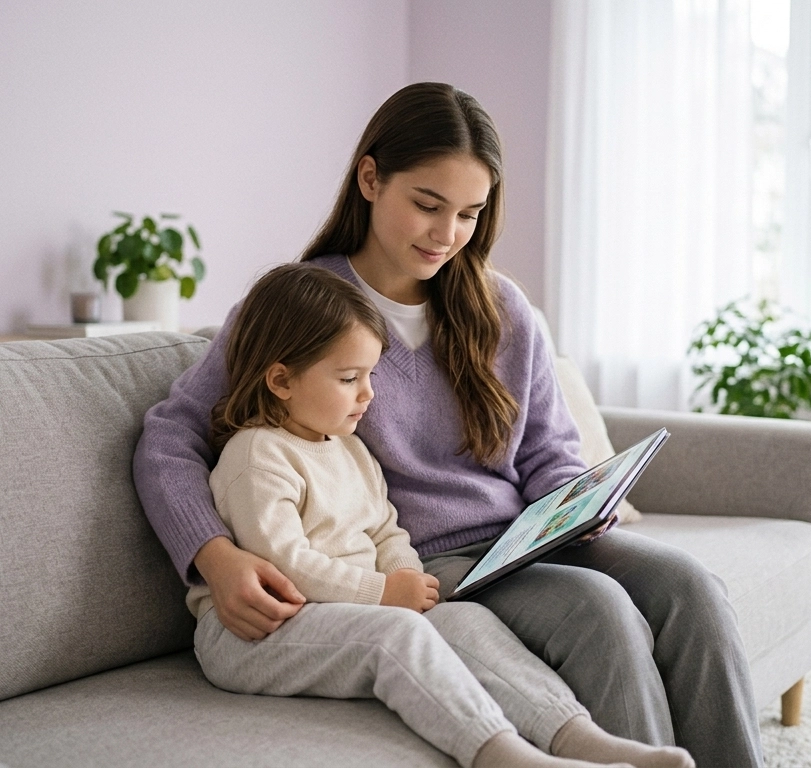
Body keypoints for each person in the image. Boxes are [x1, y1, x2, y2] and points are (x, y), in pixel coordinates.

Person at [134, 82, 764, 768]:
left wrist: (578, 502)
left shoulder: (500, 306)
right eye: (428, 206)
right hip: (426, 562)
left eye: (469, 214)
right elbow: (171, 438)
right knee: (598, 611)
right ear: (370, 179)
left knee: (690, 587)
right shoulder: (301, 307)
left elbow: (548, 450)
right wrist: (215, 557)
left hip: (524, 540)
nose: (447, 235)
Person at [188, 261, 693, 768]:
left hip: (342, 608)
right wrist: (382, 593)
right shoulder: (257, 455)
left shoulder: (349, 449)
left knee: (463, 620)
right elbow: (285, 563)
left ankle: (576, 736)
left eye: (370, 375)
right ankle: (503, 753)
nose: (368, 394)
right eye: (349, 378)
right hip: (255, 631)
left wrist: (405, 574)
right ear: (281, 380)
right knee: (400, 634)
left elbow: (386, 528)